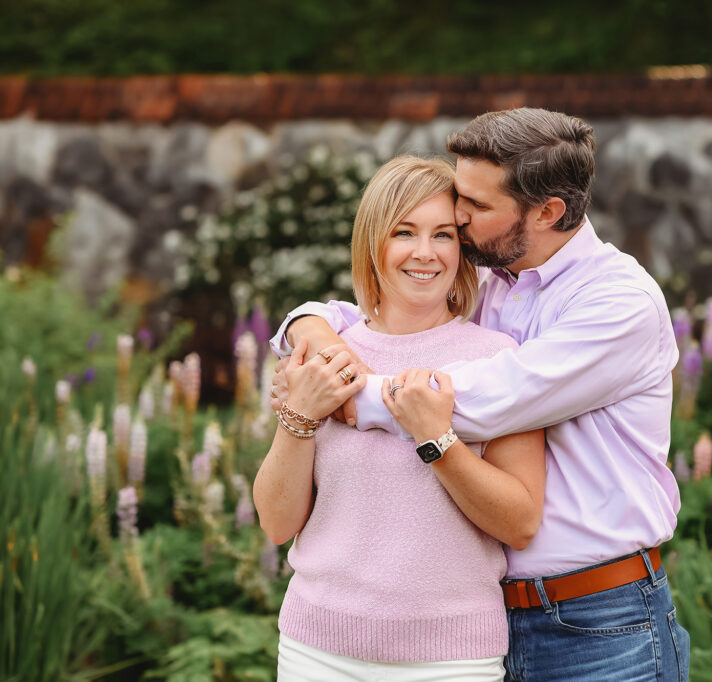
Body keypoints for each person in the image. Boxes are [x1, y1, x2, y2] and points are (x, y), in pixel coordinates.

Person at [271, 107, 689, 681]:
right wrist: (309, 328)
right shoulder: (493, 277)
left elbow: (487, 397)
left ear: (547, 212)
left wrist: (339, 392)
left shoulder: (618, 304)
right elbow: (381, 309)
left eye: (476, 205)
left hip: (598, 621)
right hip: (489, 616)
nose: (458, 219)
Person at [254, 155, 546, 681]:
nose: (424, 253)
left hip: (449, 661)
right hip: (316, 651)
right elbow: (277, 525)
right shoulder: (326, 353)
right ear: (373, 243)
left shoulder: (499, 359)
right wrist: (299, 415)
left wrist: (436, 438)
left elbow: (520, 523)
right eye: (404, 232)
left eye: (443, 235)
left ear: (463, 249)